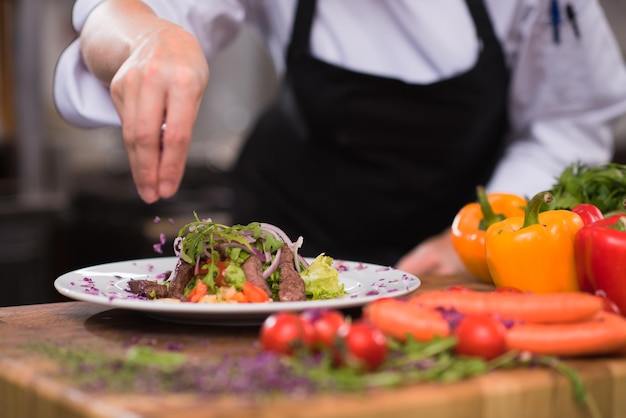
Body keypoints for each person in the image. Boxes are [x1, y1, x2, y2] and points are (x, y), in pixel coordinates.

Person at [54, 0, 626, 277]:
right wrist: (149, 34)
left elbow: (568, 121)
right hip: (281, 267)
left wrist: (480, 235)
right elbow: (114, 14)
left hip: (451, 275)